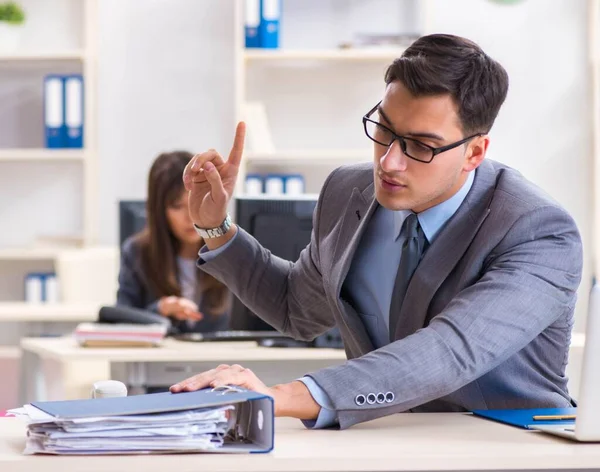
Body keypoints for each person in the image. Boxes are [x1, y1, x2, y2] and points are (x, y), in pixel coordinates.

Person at [170, 34, 583, 430]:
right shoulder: (348, 192)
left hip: (510, 451)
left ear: (474, 152)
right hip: (384, 441)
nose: (389, 162)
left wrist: (282, 396)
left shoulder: (538, 230)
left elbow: (451, 350)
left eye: (421, 146)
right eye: (384, 129)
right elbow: (296, 309)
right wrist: (217, 227)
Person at [117, 151, 230, 333]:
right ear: (159, 211)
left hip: (222, 359)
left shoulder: (228, 251)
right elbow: (121, 320)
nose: (190, 216)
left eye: (196, 201)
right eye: (177, 206)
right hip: (161, 360)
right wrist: (160, 309)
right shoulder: (137, 252)